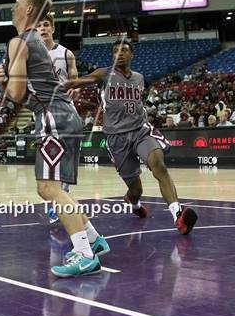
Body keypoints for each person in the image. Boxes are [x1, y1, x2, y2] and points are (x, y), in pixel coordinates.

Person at [0, 0, 109, 277]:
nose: (13, 6)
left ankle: (84, 254)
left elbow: (17, 92)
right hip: (63, 116)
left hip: (52, 118)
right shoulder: (35, 42)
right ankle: (93, 241)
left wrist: (3, 81)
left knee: (49, 189)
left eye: (18, 3)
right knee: (52, 189)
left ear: (30, 10)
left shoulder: (20, 41)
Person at [65, 39, 198, 236]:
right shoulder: (104, 74)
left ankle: (177, 214)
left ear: (131, 55)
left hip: (140, 130)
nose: (119, 54)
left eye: (124, 50)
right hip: (116, 138)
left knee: (158, 165)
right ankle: (134, 204)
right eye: (115, 51)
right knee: (136, 190)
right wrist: (64, 85)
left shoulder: (139, 78)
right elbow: (78, 81)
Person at [36, 13, 78, 224]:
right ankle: (57, 200)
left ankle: (62, 195)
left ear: (52, 28)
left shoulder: (66, 53)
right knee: (49, 160)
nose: (42, 29)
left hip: (64, 109)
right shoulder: (31, 54)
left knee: (63, 158)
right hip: (44, 111)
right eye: (39, 26)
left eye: (46, 25)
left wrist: (74, 89)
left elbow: (74, 80)